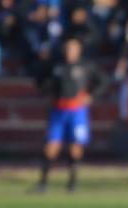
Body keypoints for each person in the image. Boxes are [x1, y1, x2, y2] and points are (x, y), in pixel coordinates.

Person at [34, 38, 109, 192]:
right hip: (58, 110)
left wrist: (92, 96)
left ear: (78, 50)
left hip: (77, 111)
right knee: (51, 146)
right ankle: (43, 183)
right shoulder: (56, 65)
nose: (69, 52)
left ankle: (72, 183)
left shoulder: (86, 66)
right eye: (67, 48)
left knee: (75, 146)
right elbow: (41, 82)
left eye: (72, 49)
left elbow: (104, 81)